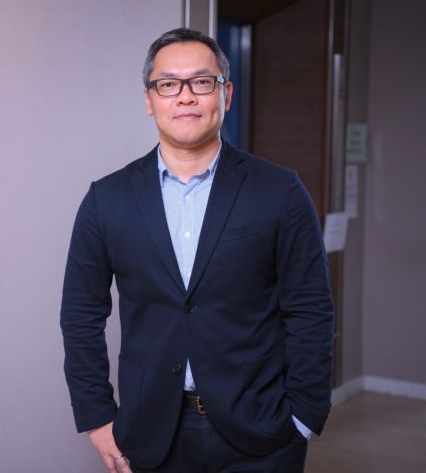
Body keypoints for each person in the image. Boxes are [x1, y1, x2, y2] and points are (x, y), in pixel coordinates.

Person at [60, 28, 334, 472]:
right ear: (149, 99)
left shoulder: (279, 191)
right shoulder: (106, 199)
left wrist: (303, 416)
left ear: (226, 94)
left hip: (262, 432)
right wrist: (96, 418)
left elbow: (310, 307)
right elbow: (81, 315)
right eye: (168, 84)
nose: (185, 96)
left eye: (202, 82)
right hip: (150, 432)